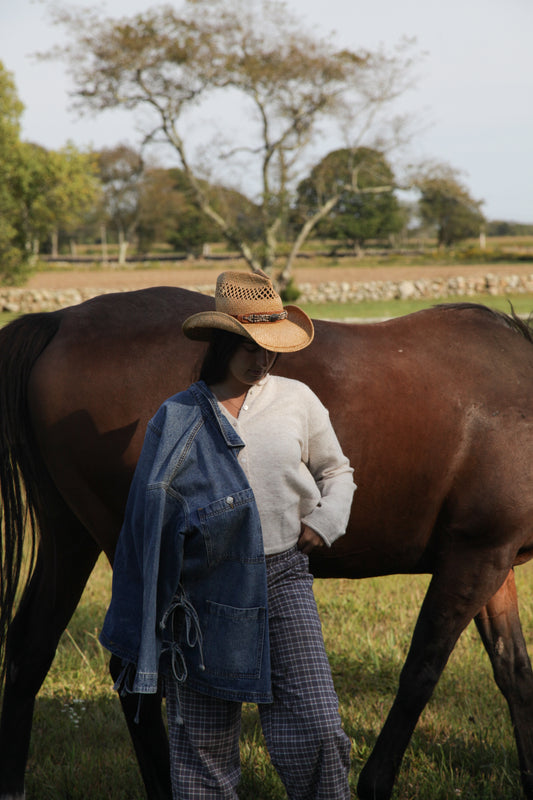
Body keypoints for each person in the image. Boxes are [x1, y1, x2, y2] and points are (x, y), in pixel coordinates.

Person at [100, 270, 356, 800]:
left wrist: (325, 522)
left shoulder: (296, 399)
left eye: (269, 348)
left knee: (319, 728)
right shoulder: (178, 416)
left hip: (283, 577)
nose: (259, 360)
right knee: (203, 743)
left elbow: (338, 472)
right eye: (246, 345)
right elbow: (149, 518)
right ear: (220, 343)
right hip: (201, 592)